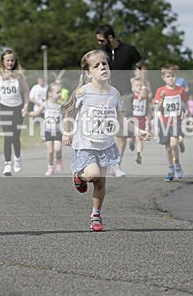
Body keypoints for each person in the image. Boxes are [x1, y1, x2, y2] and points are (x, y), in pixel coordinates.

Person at [62, 49, 151, 231]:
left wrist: (138, 131)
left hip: (105, 143)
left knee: (101, 182)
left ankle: (96, 215)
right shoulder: (83, 92)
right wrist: (67, 132)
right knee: (92, 174)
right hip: (86, 143)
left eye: (105, 64)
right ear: (88, 73)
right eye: (97, 65)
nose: (102, 67)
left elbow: (120, 119)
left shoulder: (114, 94)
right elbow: (69, 111)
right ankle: (78, 176)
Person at [96, 24, 141, 177]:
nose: (99, 44)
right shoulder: (101, 54)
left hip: (125, 94)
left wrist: (141, 83)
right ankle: (103, 161)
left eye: (101, 41)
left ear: (110, 38)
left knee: (122, 132)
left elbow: (141, 66)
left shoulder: (129, 50)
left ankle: (116, 165)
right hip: (106, 95)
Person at [0, 49, 29, 176]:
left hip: (18, 107)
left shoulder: (19, 75)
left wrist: (26, 106)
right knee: (7, 136)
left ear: (15, 61)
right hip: (5, 107)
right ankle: (7, 164)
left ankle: (17, 158)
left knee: (16, 136)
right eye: (7, 60)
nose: (10, 62)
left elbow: (26, 91)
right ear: (3, 61)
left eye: (12, 60)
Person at [153, 64, 189, 181]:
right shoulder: (160, 91)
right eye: (168, 76)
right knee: (168, 147)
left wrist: (187, 112)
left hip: (176, 120)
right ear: (164, 78)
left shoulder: (180, 90)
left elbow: (185, 104)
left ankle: (177, 164)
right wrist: (162, 98)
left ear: (176, 76)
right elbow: (158, 109)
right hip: (164, 122)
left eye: (173, 76)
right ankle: (170, 168)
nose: (171, 78)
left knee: (174, 144)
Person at [29, 83, 64, 175]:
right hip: (48, 131)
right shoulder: (45, 104)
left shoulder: (61, 106)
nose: (60, 94)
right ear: (50, 94)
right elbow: (36, 113)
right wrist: (27, 114)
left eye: (60, 92)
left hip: (57, 131)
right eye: (58, 92)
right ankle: (50, 167)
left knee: (57, 149)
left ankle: (59, 159)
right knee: (50, 151)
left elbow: (67, 118)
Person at [130, 77, 150, 165]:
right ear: (133, 87)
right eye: (136, 85)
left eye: (140, 86)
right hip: (132, 119)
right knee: (130, 137)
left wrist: (149, 116)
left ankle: (139, 155)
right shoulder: (131, 96)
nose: (138, 87)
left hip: (141, 119)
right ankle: (131, 142)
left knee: (139, 138)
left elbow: (148, 107)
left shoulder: (145, 97)